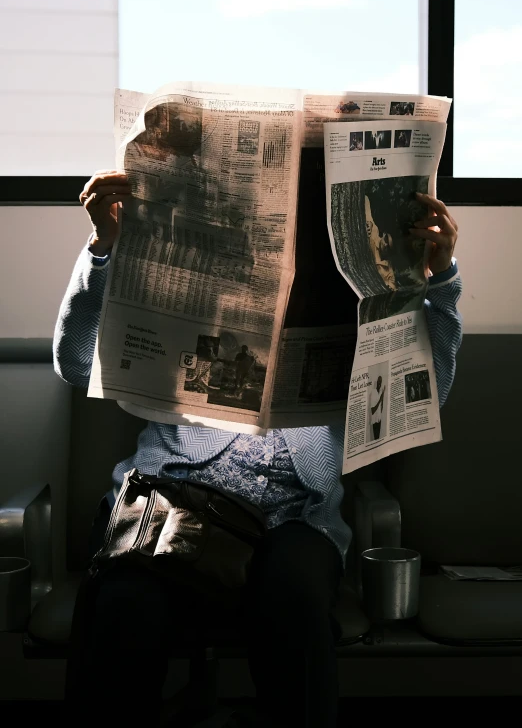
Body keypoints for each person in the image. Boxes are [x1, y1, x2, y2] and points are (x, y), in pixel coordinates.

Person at [54, 171, 462, 728]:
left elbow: (425, 393)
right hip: (173, 498)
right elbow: (76, 363)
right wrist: (102, 250)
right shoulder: (177, 277)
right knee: (126, 608)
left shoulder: (351, 295)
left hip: (297, 515)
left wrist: (441, 283)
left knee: (293, 601)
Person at [369, 376, 385, 440]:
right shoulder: (373, 392)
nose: (379, 383)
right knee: (375, 438)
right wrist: (380, 399)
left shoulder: (381, 392)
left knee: (378, 438)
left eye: (380, 382)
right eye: (378, 381)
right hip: (374, 420)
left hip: (379, 419)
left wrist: (382, 395)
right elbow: (372, 410)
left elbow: (381, 407)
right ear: (377, 382)